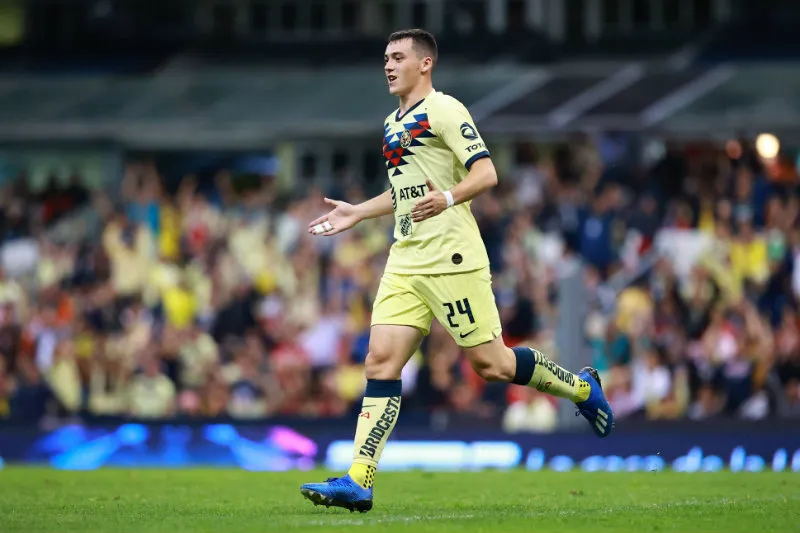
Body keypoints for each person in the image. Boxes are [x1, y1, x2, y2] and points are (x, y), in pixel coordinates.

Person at [300, 29, 613, 513]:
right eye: (386, 58)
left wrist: (447, 198)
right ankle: (359, 480)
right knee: (380, 361)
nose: (388, 65)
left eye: (398, 57)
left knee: (492, 365)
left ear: (424, 64)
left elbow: (486, 173)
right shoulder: (392, 123)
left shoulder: (444, 109)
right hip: (406, 258)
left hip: (451, 257)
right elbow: (405, 192)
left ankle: (581, 388)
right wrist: (359, 211)